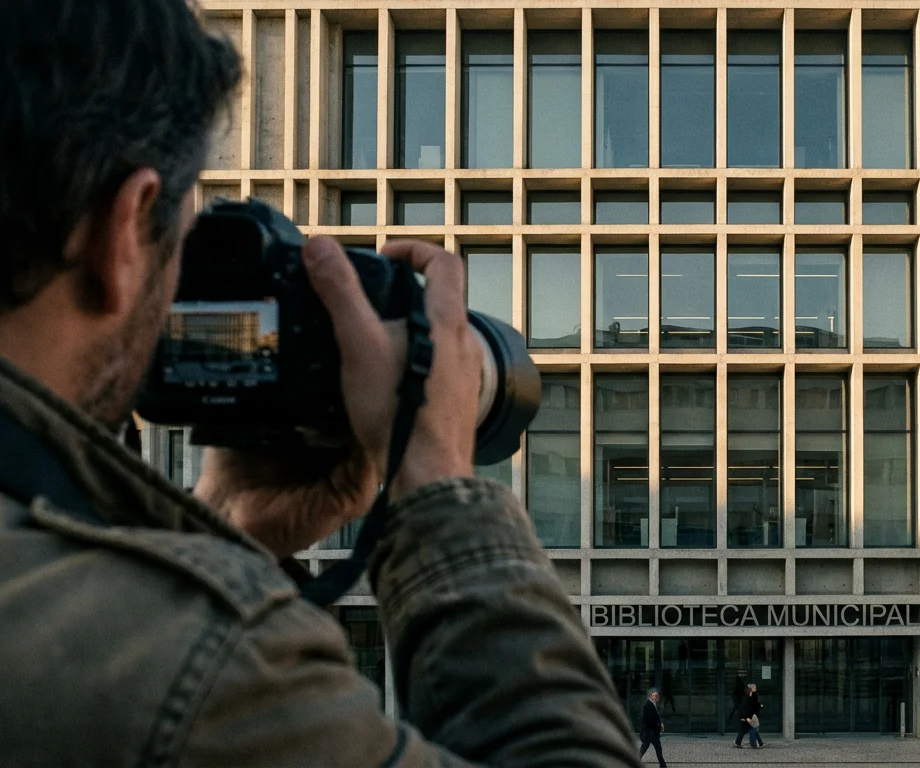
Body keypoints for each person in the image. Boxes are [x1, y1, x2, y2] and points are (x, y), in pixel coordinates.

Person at [0, 2, 639, 765]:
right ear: (122, 233)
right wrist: (434, 481)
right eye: (180, 235)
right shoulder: (200, 672)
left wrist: (226, 531)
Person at [639, 689, 667, 767]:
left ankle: (663, 765)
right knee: (645, 749)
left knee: (657, 749)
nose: (656, 697)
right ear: (650, 696)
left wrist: (660, 724)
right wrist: (659, 727)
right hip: (650, 733)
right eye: (654, 695)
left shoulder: (652, 705)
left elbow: (656, 717)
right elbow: (649, 721)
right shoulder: (648, 706)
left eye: (657, 695)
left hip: (652, 733)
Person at [733, 682, 764, 749]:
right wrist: (746, 717)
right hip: (748, 717)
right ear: (751, 689)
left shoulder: (752, 696)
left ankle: (738, 743)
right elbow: (745, 708)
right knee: (752, 730)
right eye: (754, 688)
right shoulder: (746, 697)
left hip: (749, 716)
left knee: (744, 730)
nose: (755, 689)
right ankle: (754, 744)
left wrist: (759, 706)